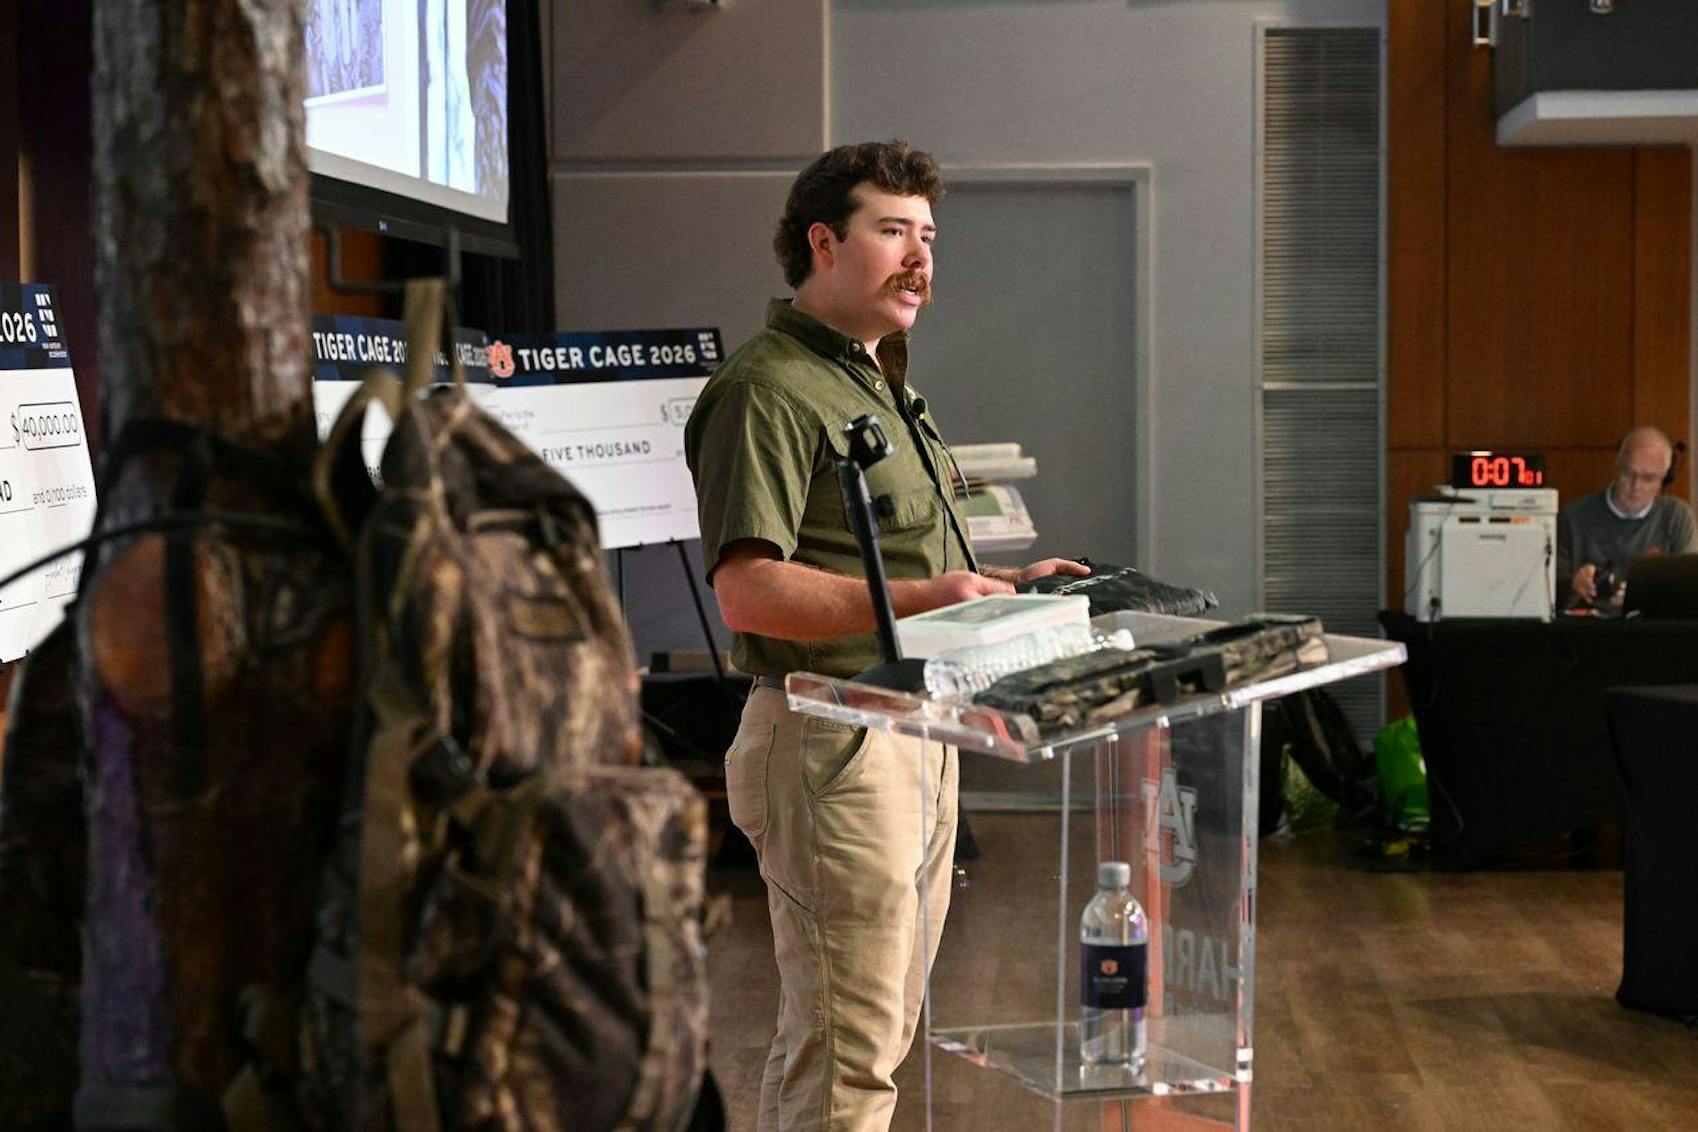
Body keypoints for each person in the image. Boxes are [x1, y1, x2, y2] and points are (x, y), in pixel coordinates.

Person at [684, 140, 1088, 1131]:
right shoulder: (767, 389)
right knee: (847, 1051)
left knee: (875, 1032)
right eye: (894, 230)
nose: (922, 257)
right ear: (825, 242)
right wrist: (923, 598)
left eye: (929, 235)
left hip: (912, 731)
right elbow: (748, 591)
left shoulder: (876, 381)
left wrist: (1000, 589)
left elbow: (902, 563)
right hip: (833, 740)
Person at [1557, 425, 1698, 608]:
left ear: (1664, 480)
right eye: (1628, 473)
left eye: (1648, 479)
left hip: (1653, 630)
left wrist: (1643, 598)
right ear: (1616, 467)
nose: (1636, 486)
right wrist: (1573, 585)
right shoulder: (1573, 517)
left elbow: (1689, 592)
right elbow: (1548, 595)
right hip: (1587, 630)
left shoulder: (1677, 518)